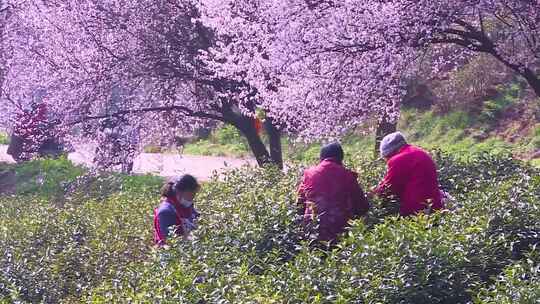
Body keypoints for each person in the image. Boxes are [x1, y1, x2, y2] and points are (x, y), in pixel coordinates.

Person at [297, 143, 370, 242]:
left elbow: (299, 204)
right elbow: (362, 206)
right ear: (341, 158)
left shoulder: (309, 174)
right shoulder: (348, 175)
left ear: (321, 158)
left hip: (312, 230)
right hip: (340, 231)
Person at [371, 132, 443, 216]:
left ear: (391, 153)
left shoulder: (398, 159)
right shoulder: (419, 151)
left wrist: (372, 196)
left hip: (416, 212)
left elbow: (389, 187)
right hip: (435, 205)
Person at [154, 175, 200, 246]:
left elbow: (198, 220)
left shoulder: (187, 206)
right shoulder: (166, 212)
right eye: (192, 194)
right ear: (180, 192)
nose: (193, 197)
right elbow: (171, 241)